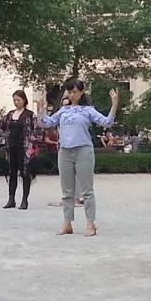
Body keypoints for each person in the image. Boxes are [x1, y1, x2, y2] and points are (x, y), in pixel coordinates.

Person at [38, 79, 118, 237]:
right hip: (65, 151)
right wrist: (42, 111)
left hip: (83, 150)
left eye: (74, 92)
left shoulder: (88, 110)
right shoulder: (63, 110)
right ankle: (67, 222)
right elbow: (48, 123)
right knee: (66, 190)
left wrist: (114, 104)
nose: (72, 95)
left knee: (86, 190)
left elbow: (106, 122)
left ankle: (90, 223)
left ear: (81, 93)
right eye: (69, 92)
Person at [0, 90, 39, 210]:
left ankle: (24, 199)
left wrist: (32, 146)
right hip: (11, 146)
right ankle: (11, 199)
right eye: (14, 100)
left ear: (24, 100)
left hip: (24, 147)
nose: (16, 102)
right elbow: (1, 126)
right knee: (12, 172)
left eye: (18, 100)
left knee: (25, 173)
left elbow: (35, 130)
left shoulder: (30, 114)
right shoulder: (10, 114)